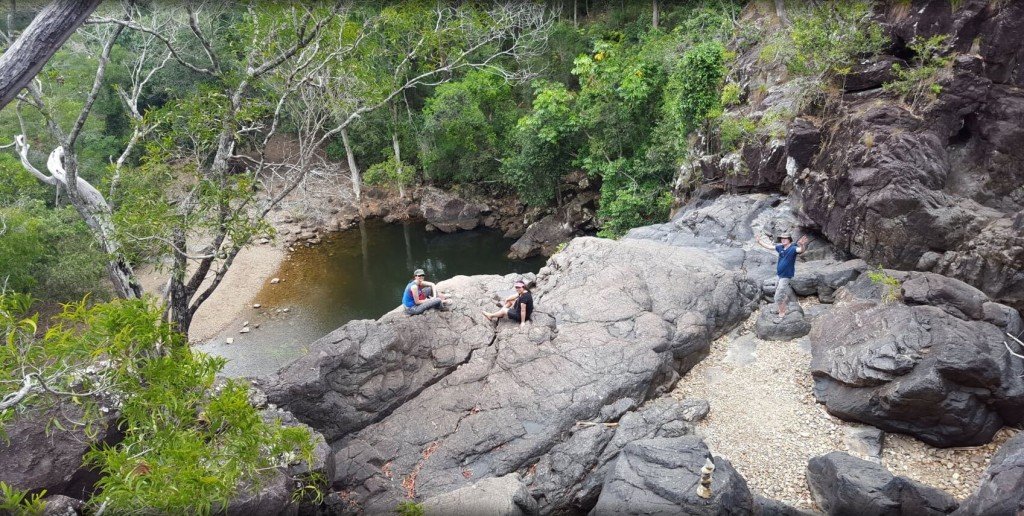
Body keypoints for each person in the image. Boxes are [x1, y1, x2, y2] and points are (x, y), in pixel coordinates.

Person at [757, 232, 810, 319]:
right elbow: (769, 247)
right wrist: (759, 241)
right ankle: (784, 304)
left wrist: (802, 245)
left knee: (777, 295)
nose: (783, 240)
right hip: (779, 275)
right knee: (780, 291)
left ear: (789, 240)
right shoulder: (780, 247)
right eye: (782, 238)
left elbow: (801, 250)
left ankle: (782, 311)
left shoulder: (793, 248)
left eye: (785, 238)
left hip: (786, 276)